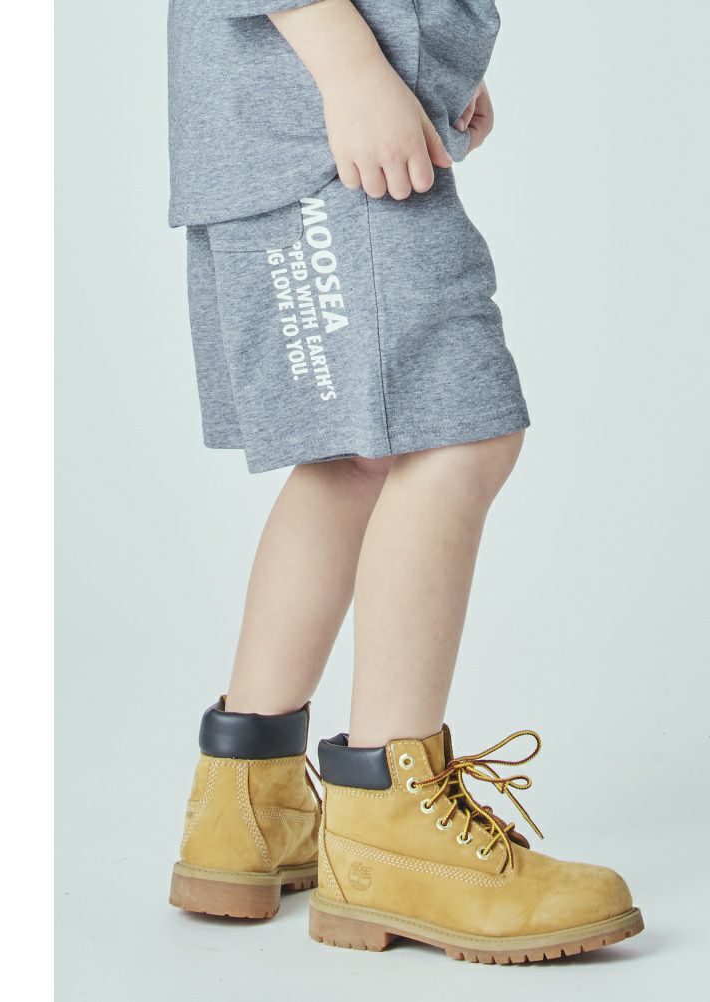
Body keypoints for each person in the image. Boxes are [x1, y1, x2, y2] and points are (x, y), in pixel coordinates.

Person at [166, 0, 642, 963]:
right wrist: (353, 70)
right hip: (311, 124)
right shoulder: (333, 84)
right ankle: (389, 827)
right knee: (457, 435)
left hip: (295, 119)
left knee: (359, 458)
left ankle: (245, 807)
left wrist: (422, 59)